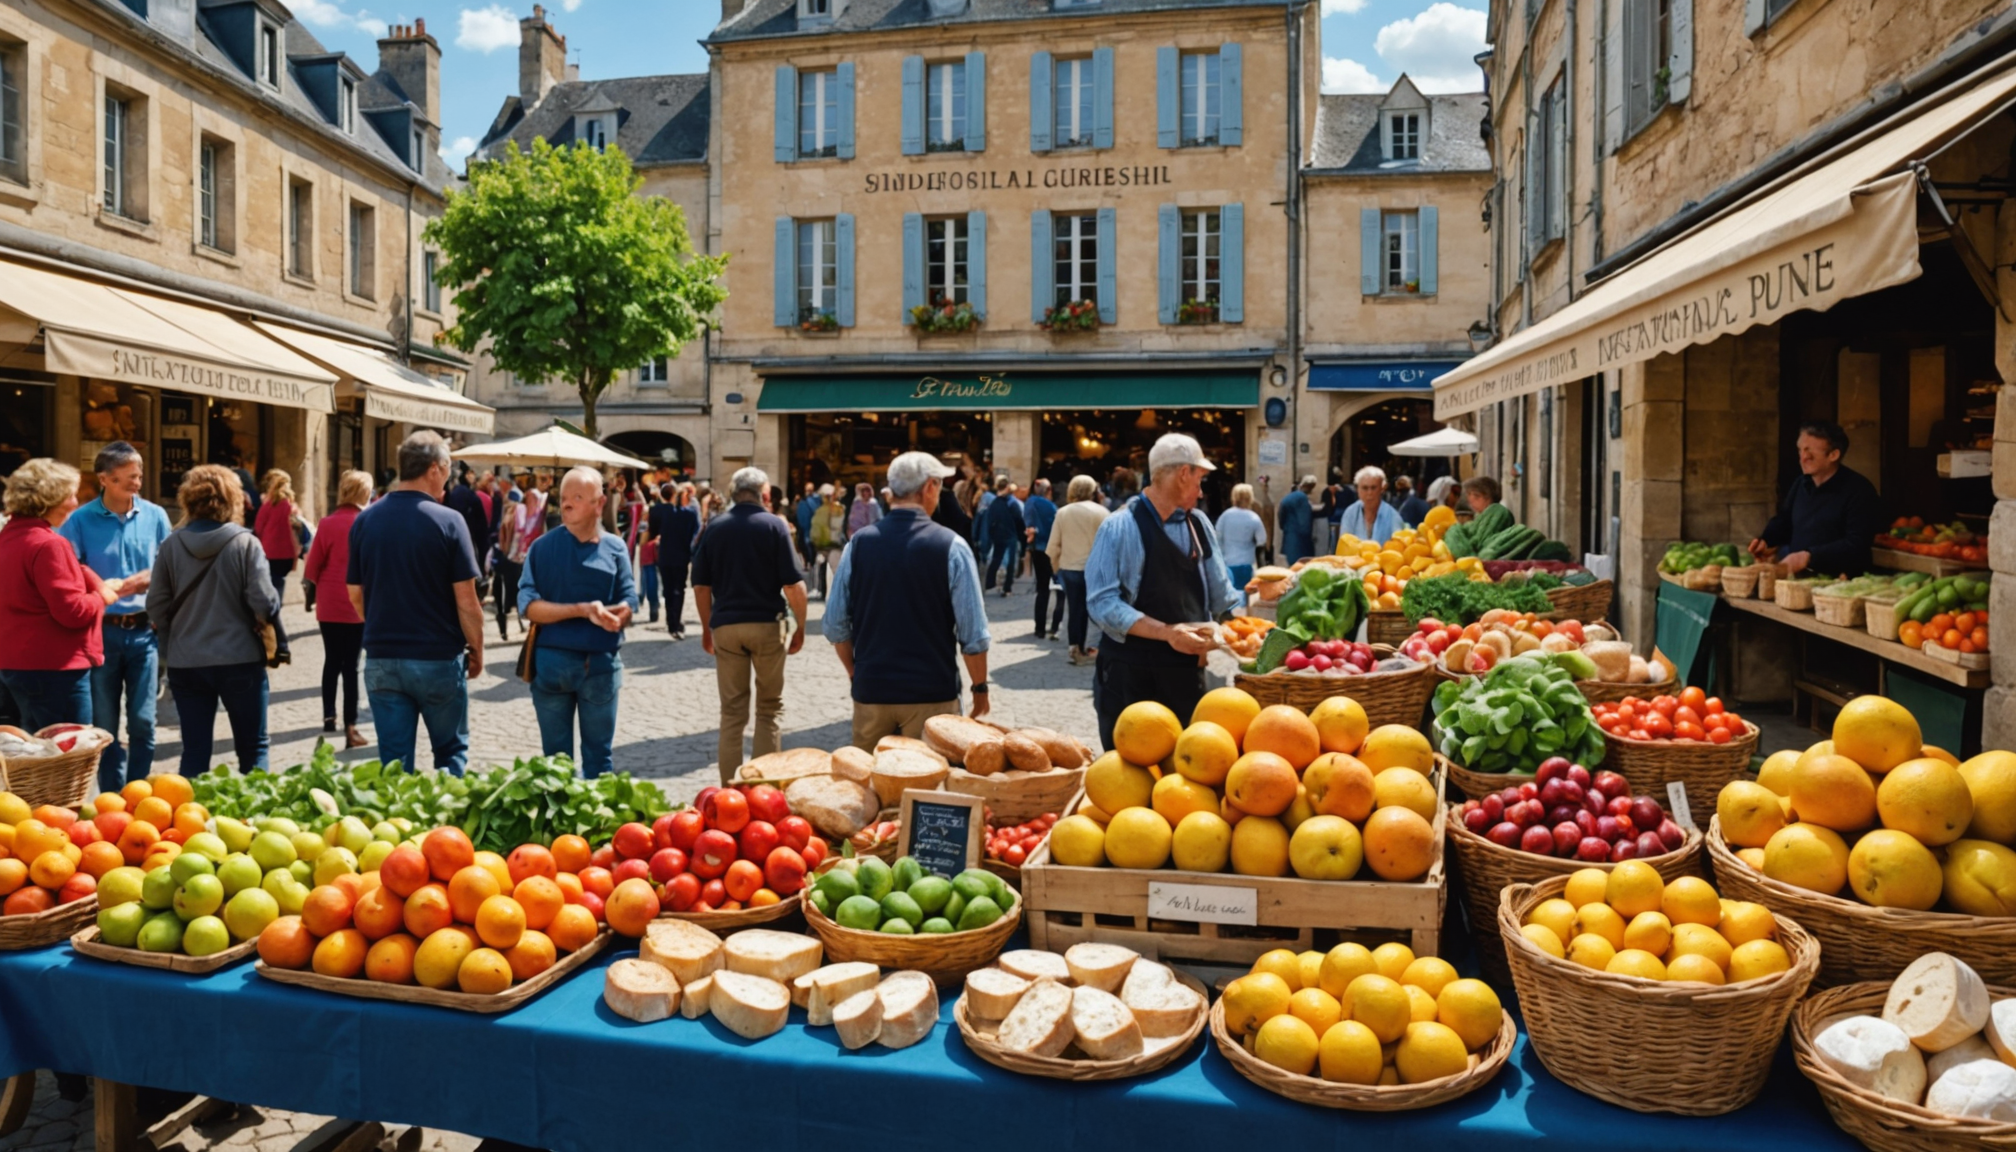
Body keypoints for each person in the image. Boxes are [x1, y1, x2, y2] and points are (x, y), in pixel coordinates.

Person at [824, 452, 991, 749]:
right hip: (932, 693)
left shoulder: (858, 544)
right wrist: (979, 688)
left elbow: (836, 625)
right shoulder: (952, 546)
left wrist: (857, 673)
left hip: (872, 692)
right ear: (929, 487)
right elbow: (973, 634)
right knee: (928, 788)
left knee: (870, 786)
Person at [1085, 434, 1240, 749]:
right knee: (1128, 779)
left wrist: (1245, 632)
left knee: (1184, 776)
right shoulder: (1119, 527)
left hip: (1184, 678)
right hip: (1129, 676)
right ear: (1184, 474)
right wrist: (1169, 632)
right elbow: (1102, 604)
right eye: (1199, 477)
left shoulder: (1200, 526)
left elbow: (1222, 599)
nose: (1201, 487)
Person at [346, 431, 485, 776]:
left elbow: (354, 593)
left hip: (383, 657)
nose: (449, 481)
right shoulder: (449, 521)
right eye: (449, 471)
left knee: (393, 765)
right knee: (451, 755)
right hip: (437, 657)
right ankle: (447, 829)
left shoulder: (365, 519)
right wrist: (477, 647)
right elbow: (467, 601)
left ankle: (399, 829)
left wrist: (379, 621)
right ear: (435, 469)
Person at [147, 465, 281, 774]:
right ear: (233, 499)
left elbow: (155, 606)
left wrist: (178, 634)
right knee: (254, 746)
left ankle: (188, 819)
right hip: (240, 658)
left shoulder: (171, 545)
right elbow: (264, 601)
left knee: (194, 750)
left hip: (187, 662)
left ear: (188, 499)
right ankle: (256, 817)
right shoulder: (246, 543)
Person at [59, 443, 170, 790]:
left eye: (139, 475)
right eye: (129, 478)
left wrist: (140, 581)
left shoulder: (155, 516)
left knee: (143, 722)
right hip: (99, 635)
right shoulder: (79, 520)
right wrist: (108, 587)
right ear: (105, 479)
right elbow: (69, 570)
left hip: (143, 631)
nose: (137, 483)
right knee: (105, 725)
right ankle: (111, 797)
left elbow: (168, 567)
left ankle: (138, 793)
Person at [518, 467, 638, 777]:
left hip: (601, 665)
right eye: (564, 497)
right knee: (556, 763)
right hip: (553, 664)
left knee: (599, 758)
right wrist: (583, 610)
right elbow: (528, 607)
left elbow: (630, 598)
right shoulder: (542, 547)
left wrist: (620, 614)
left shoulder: (615, 547)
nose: (567, 504)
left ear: (599, 504)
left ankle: (596, 824)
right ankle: (560, 825)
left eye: (578, 497)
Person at [692, 467, 808, 780]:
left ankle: (730, 789)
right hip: (767, 624)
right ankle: (762, 788)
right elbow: (794, 586)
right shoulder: (774, 525)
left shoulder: (715, 527)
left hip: (727, 627)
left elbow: (700, 586)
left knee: (732, 713)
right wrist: (801, 626)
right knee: (769, 709)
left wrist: (707, 627)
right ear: (763, 494)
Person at [0, 460, 126, 733]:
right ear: (51, 499)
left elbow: (69, 573)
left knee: (36, 758)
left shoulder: (9, 537)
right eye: (70, 495)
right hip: (54, 668)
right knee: (69, 758)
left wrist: (95, 584)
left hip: (16, 664)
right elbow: (73, 613)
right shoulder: (49, 543)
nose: (75, 502)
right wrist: (102, 596)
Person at [1749, 421, 1883, 576]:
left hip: (1841, 583)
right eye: (1800, 450)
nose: (1803, 458)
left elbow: (1856, 544)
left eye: (1810, 452)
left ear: (1833, 455)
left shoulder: (1860, 490)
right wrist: (1766, 540)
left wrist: (1809, 556)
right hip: (1799, 581)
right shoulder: (1801, 483)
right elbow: (1784, 520)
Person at [302, 470, 372, 748]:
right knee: (351, 666)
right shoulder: (366, 523)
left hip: (329, 605)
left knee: (332, 660)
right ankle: (351, 723)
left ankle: (328, 715)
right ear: (363, 493)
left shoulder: (328, 524)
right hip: (358, 605)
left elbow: (312, 567)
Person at [1046, 475, 1110, 665]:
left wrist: (1057, 569)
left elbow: (1053, 546)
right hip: (1095, 569)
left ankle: (1075, 647)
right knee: (1099, 609)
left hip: (1070, 568)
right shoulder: (1103, 512)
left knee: (1075, 609)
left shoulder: (1063, 513)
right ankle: (1099, 646)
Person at [648, 482, 700, 638]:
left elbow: (653, 532)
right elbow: (695, 533)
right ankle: (675, 622)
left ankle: (671, 621)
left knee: (668, 589)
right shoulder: (689, 514)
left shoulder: (656, 511)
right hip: (681, 555)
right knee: (679, 589)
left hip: (664, 554)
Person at [493, 481, 541, 642]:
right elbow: (516, 534)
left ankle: (518, 623)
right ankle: (507, 627)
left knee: (516, 592)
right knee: (512, 593)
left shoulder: (534, 515)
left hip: (520, 559)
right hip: (514, 559)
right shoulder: (520, 511)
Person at [253, 469, 299, 601]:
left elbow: (258, 527)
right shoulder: (291, 506)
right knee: (280, 580)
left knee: (270, 581)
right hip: (288, 553)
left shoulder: (268, 505)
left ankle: (272, 608)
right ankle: (277, 604)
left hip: (269, 551)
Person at [1217, 483, 1268, 601]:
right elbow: (1262, 540)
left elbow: (1217, 536)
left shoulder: (1225, 515)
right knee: (1244, 595)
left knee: (1229, 595)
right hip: (1246, 562)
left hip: (1227, 562)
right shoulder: (1253, 517)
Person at [1024, 478, 1059, 638]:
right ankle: (1054, 626)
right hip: (1052, 550)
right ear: (1048, 490)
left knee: (1042, 589)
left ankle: (1039, 628)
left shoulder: (1030, 502)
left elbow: (1029, 525)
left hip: (1037, 549)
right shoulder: (1050, 506)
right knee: (1059, 588)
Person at [1340, 466, 1408, 545]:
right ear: (1358, 489)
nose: (1369, 493)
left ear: (1382, 489)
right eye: (1365, 488)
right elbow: (1344, 545)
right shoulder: (1350, 513)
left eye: (1373, 488)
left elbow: (1397, 549)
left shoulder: (1393, 516)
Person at [445, 466, 490, 579]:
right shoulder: (465, 493)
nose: (473, 476)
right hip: (470, 536)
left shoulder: (459, 492)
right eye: (470, 473)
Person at [984, 476, 1025, 596]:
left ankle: (989, 584)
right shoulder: (1012, 502)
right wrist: (1022, 536)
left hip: (998, 535)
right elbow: (1019, 520)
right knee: (1011, 562)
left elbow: (990, 521)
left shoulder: (993, 503)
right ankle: (1007, 588)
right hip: (1011, 534)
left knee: (996, 559)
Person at [812, 485, 847, 595]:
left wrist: (816, 543)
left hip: (823, 545)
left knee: (822, 569)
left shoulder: (820, 511)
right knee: (836, 572)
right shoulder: (840, 509)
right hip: (836, 545)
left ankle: (823, 591)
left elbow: (815, 531)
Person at [1278, 476, 1318, 562]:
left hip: (1289, 539)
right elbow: (1305, 523)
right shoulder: (1302, 499)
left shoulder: (1288, 497)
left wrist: (1284, 527)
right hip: (1301, 544)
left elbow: (1281, 516)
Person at [793, 482, 821, 590]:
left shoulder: (807, 501)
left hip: (811, 532)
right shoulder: (816, 501)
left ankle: (814, 582)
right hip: (813, 532)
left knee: (812, 555)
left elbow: (803, 518)